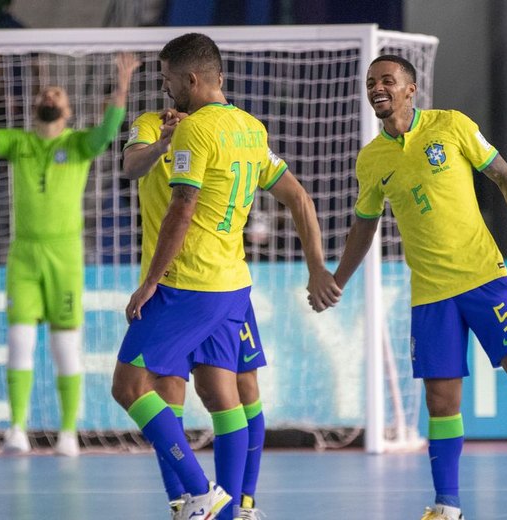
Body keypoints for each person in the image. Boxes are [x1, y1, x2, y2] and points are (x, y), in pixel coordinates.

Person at [315, 55, 507, 520]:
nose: (377, 88)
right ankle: (447, 506)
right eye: (371, 82)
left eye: (387, 80)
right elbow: (364, 228)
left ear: (410, 89)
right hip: (430, 294)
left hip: (484, 277)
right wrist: (338, 281)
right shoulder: (371, 160)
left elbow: (503, 175)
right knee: (440, 402)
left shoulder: (451, 126)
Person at [111, 33, 339, 520]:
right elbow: (299, 197)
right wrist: (316, 265)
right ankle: (227, 507)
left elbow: (182, 206)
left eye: (169, 78)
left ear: (191, 79)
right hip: (231, 285)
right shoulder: (248, 129)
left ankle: (204, 494)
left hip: (186, 281)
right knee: (219, 393)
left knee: (130, 385)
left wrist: (152, 279)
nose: (164, 86)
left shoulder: (200, 131)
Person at [0, 53, 141, 457]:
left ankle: (67, 434)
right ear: (36, 107)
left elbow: (107, 130)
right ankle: (16, 429)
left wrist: (122, 86)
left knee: (65, 345)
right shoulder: (20, 143)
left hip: (64, 255)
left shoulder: (79, 145)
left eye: (58, 93)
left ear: (67, 110)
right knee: (19, 340)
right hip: (24, 254)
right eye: (46, 91)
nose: (51, 94)